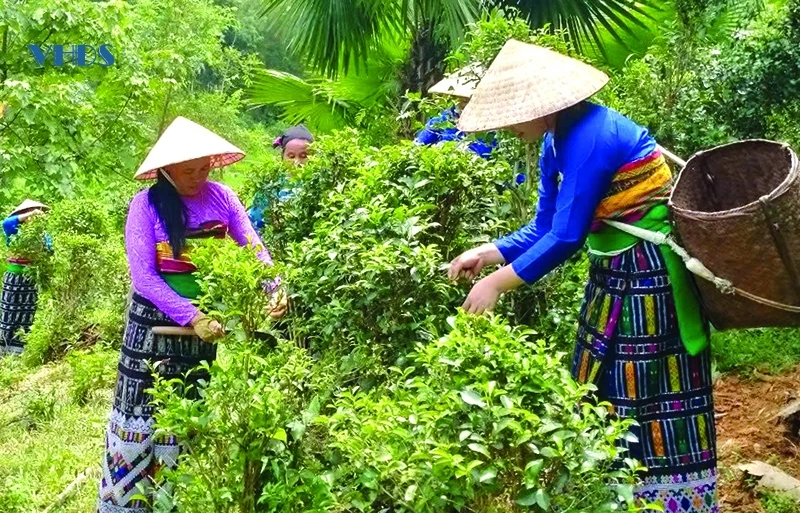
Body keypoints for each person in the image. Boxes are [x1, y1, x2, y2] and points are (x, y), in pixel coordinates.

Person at [450, 40, 717, 512]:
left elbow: (568, 235)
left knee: (648, 390)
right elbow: (545, 225)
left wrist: (497, 283)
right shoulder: (556, 138)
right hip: (612, 274)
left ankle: (669, 501)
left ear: (541, 106)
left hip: (647, 277)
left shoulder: (591, 135)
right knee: (599, 385)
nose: (510, 126)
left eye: (514, 115)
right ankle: (607, 495)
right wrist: (489, 254)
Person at [98, 116, 286, 513]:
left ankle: (172, 502)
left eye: (204, 167)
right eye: (188, 170)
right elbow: (144, 277)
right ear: (166, 169)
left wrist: (275, 286)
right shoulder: (145, 205)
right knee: (140, 412)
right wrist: (190, 315)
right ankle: (124, 505)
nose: (198, 176)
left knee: (184, 416)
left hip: (202, 332)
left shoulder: (222, 198)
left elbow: (255, 250)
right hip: (152, 326)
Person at [416, 65, 498, 161]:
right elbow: (418, 146)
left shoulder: (494, 128)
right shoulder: (444, 119)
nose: (464, 104)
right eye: (461, 100)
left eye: (468, 100)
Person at [0, 200, 50, 355]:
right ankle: (4, 347)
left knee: (27, 312)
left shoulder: (42, 234)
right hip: (15, 277)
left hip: (31, 278)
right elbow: (5, 223)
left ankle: (19, 350)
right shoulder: (14, 230)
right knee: (10, 310)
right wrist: (29, 215)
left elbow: (49, 249)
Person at [247, 124, 313, 235]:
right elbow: (253, 223)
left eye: (303, 156)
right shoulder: (271, 187)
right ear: (282, 158)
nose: (297, 162)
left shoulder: (321, 183)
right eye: (291, 156)